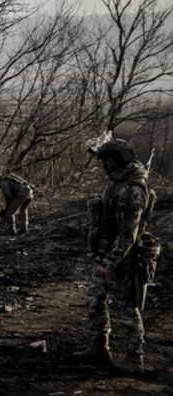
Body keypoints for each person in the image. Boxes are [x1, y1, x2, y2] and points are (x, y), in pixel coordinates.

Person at [86, 139, 156, 373]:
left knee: (127, 307)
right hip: (106, 252)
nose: (104, 164)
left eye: (107, 159)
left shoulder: (132, 190)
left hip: (122, 257)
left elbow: (128, 235)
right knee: (94, 298)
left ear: (116, 160)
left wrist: (108, 265)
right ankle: (99, 348)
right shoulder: (116, 182)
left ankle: (135, 357)